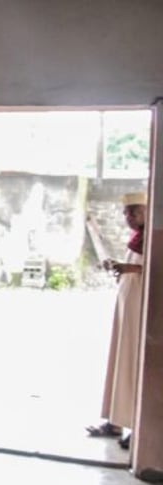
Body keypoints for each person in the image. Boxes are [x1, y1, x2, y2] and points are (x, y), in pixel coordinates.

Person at [87, 191, 147, 449]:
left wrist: (128, 268)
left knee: (134, 364)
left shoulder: (152, 239)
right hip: (127, 306)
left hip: (141, 311)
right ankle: (115, 422)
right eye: (125, 213)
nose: (128, 217)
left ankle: (138, 426)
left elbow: (151, 268)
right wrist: (121, 267)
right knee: (120, 360)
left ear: (147, 210)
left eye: (133, 211)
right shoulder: (138, 239)